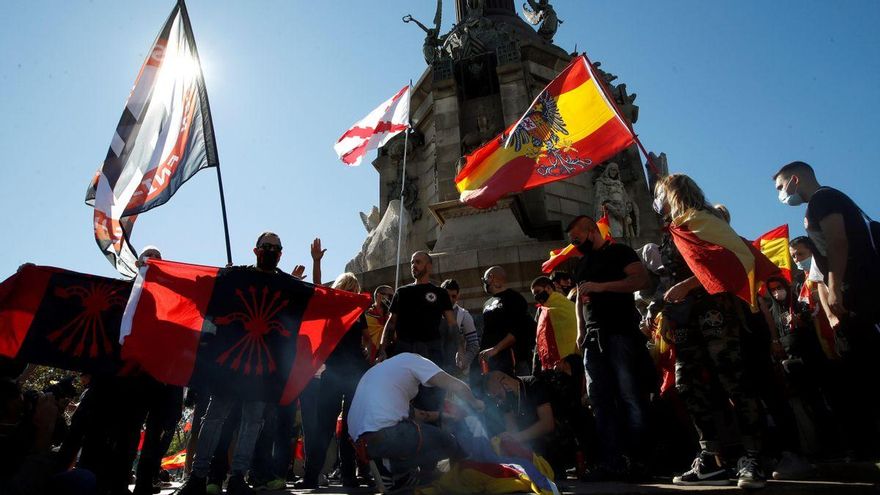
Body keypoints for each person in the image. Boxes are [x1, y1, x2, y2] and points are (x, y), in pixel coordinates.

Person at [654, 174, 765, 489]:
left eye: (659, 193)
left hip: (714, 312)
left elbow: (739, 257)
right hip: (685, 320)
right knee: (688, 384)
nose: (655, 200)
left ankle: (753, 457)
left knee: (733, 380)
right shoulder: (672, 229)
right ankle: (710, 458)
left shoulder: (701, 219)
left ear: (672, 193)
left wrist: (688, 285)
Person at [774, 161, 880, 454]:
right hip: (853, 298)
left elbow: (837, 243)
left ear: (796, 180)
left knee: (865, 371)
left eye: (781, 187)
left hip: (856, 294)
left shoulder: (823, 199)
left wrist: (835, 291)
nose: (782, 194)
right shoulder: (822, 203)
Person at [178, 232, 294, 495]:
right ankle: (198, 476)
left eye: (276, 248)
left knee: (253, 421)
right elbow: (202, 294)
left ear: (281, 254)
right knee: (215, 417)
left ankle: (238, 477)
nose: (271, 251)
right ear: (255, 250)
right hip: (230, 364)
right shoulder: (237, 276)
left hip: (263, 368)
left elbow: (309, 304)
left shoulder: (286, 284)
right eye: (267, 246)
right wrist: (223, 280)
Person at [565, 215, 653, 479]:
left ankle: (640, 461)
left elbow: (640, 281)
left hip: (620, 334)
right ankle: (611, 462)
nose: (575, 244)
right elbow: (581, 298)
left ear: (592, 231)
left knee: (630, 397)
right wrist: (581, 330)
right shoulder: (581, 265)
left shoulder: (619, 252)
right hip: (593, 339)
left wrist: (602, 287)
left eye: (577, 238)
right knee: (599, 401)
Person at [348, 353, 484, 492]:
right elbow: (456, 385)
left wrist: (446, 416)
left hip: (363, 444)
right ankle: (392, 467)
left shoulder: (383, 371)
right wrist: (475, 402)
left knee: (415, 432)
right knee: (447, 441)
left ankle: (394, 473)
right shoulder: (414, 360)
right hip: (386, 435)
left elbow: (418, 415)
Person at [296, 273, 371, 489]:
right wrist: (317, 263)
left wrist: (369, 350)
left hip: (354, 372)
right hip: (336, 371)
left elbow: (366, 337)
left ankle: (344, 475)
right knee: (327, 425)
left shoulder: (358, 309)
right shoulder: (331, 306)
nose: (351, 289)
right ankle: (315, 475)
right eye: (348, 286)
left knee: (345, 425)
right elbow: (318, 288)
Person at [378, 251, 458, 412]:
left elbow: (452, 324)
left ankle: (433, 431)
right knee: (403, 397)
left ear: (429, 266)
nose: (414, 265)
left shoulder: (440, 293)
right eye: (412, 262)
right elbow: (391, 322)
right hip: (405, 350)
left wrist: (453, 352)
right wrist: (382, 350)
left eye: (418, 262)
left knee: (432, 399)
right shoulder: (402, 292)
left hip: (431, 352)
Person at [478, 266, 534, 376]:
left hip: (514, 360)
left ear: (491, 277)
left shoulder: (514, 298)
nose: (484, 283)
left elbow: (518, 329)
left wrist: (496, 349)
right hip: (492, 362)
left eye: (484, 279)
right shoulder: (487, 303)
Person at [530, 276, 579, 372]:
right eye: (534, 294)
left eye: (538, 292)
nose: (536, 297)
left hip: (566, 361)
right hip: (565, 361)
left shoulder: (564, 307)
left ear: (548, 288)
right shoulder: (544, 310)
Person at [440, 279, 479, 376]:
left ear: (458, 296)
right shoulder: (432, 314)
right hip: (435, 368)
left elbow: (474, 344)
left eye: (453, 296)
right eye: (446, 296)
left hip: (456, 371)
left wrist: (464, 362)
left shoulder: (463, 315)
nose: (450, 299)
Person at [365, 285, 393, 363]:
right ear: (379, 296)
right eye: (390, 296)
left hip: (388, 358)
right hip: (368, 360)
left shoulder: (391, 318)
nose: (392, 299)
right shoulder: (367, 317)